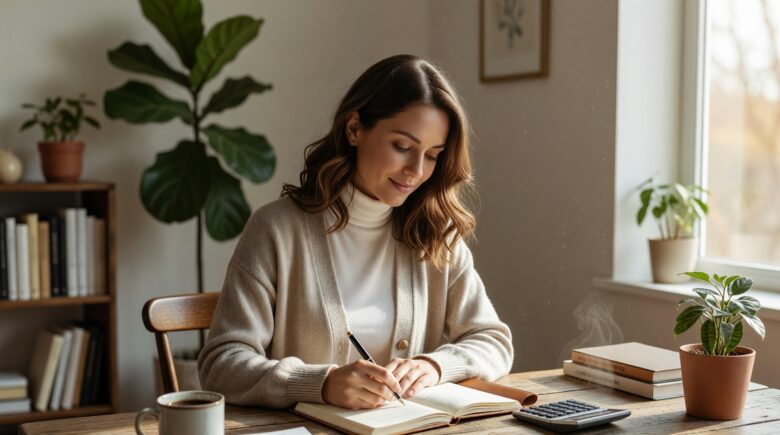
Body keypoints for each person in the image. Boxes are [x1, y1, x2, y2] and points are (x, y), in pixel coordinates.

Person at [198, 54, 513, 410]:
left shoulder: (435, 233)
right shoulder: (277, 231)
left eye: (432, 155)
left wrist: (434, 365)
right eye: (403, 147)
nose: (416, 170)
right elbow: (221, 364)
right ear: (354, 129)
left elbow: (494, 341)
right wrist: (321, 383)